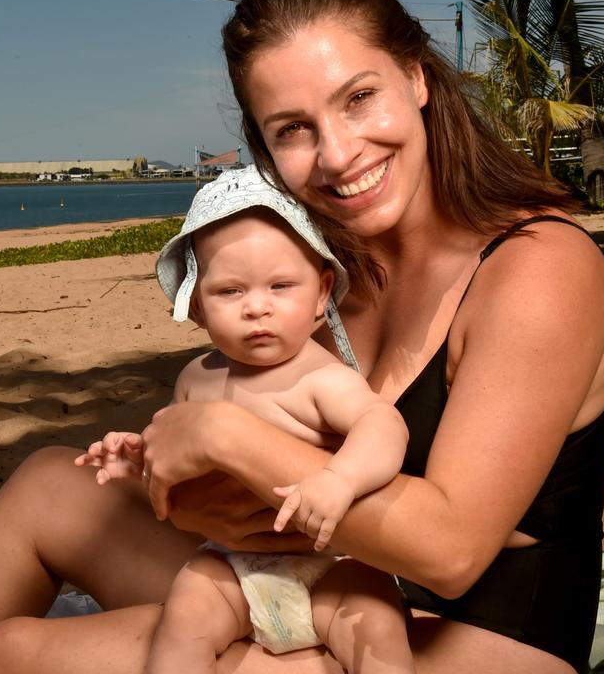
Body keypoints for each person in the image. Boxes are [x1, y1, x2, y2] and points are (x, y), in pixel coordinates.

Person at [0, 0, 604, 672]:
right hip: (324, 577)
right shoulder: (333, 271)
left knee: (14, 654)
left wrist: (226, 439)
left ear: (417, 78)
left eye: (358, 98)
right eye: (294, 130)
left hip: (470, 634)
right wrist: (181, 477)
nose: (337, 154)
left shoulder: (539, 270)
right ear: (265, 151)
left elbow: (449, 549)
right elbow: (252, 467)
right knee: (52, 485)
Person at [75, 177, 413, 673]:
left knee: (377, 622)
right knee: (185, 613)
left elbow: (384, 425)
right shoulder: (196, 378)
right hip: (232, 568)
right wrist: (137, 457)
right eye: (230, 291)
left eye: (281, 286)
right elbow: (175, 460)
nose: (257, 306)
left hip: (332, 568)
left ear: (321, 293)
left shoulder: (320, 377)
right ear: (198, 308)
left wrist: (342, 478)